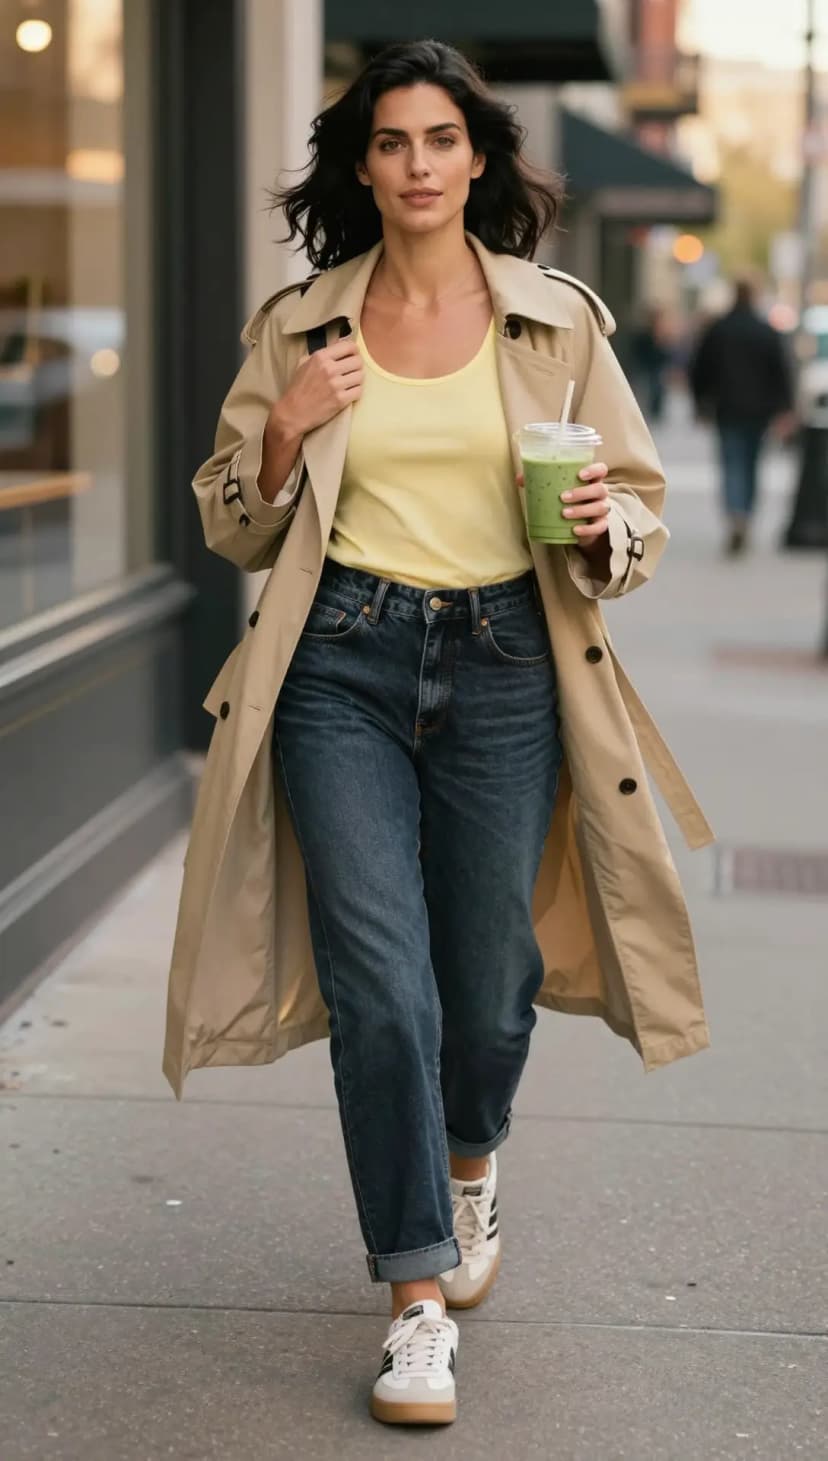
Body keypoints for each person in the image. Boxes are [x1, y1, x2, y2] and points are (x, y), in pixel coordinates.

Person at [163, 40, 713, 1428]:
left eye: (441, 141)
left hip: (507, 663)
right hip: (339, 662)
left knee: (487, 983)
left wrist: (608, 523)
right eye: (392, 141)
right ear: (363, 164)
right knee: (381, 989)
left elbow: (636, 510)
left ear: (480, 160)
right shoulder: (302, 325)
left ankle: (470, 1162)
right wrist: (284, 432)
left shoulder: (558, 320)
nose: (417, 165)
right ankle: (415, 1296)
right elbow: (230, 520)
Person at [689, 278, 795, 555]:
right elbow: (781, 371)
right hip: (759, 411)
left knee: (731, 462)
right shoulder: (765, 331)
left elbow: (700, 368)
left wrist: (700, 404)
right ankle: (744, 513)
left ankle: (735, 513)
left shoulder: (719, 329)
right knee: (751, 464)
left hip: (727, 408)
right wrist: (785, 408)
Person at [631, 305, 673, 423]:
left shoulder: (661, 334)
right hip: (646, 367)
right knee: (647, 389)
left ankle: (655, 411)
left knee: (657, 389)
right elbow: (639, 351)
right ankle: (649, 412)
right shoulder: (644, 334)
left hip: (656, 367)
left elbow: (665, 354)